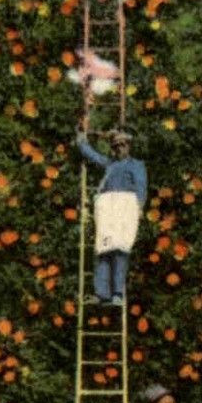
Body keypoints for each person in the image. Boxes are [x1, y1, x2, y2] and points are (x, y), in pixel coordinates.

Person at [76, 129, 147, 305]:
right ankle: (101, 293)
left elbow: (140, 187)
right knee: (104, 249)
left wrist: (139, 206)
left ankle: (117, 294)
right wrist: (81, 141)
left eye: (122, 145)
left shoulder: (136, 165)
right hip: (108, 209)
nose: (119, 149)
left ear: (128, 146)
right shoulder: (111, 165)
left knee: (120, 250)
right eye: (116, 146)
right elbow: (94, 157)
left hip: (125, 209)